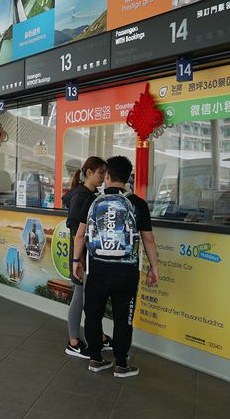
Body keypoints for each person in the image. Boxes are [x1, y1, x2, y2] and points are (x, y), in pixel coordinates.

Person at [72, 156, 160, 378]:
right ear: (128, 177)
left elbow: (80, 235)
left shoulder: (91, 201)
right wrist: (154, 267)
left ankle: (96, 359)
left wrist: (75, 262)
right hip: (126, 272)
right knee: (123, 318)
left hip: (97, 269)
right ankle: (121, 364)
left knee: (93, 315)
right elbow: (148, 240)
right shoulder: (138, 203)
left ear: (108, 176)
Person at [61, 156, 112, 359]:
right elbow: (76, 232)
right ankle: (73, 342)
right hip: (82, 259)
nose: (103, 177)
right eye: (100, 173)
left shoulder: (89, 195)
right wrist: (79, 261)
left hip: (87, 257)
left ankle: (97, 336)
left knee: (91, 299)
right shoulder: (82, 197)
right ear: (89, 172)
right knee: (80, 298)